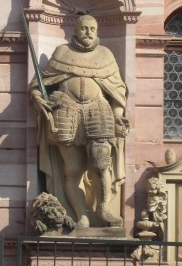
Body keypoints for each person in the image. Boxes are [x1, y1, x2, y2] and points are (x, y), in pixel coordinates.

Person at [29, 15, 129, 228]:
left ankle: (103, 209)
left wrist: (118, 115)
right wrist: (38, 99)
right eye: (84, 28)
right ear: (76, 30)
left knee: (101, 165)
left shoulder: (106, 55)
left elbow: (118, 90)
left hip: (98, 110)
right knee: (73, 170)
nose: (88, 32)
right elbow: (39, 85)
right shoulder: (62, 53)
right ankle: (81, 215)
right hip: (67, 109)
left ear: (97, 30)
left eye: (92, 28)